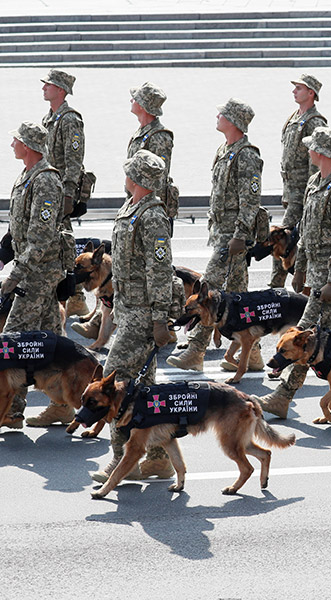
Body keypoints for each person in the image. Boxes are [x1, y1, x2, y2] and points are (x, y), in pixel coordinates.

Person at [258, 127, 331, 418]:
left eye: (312, 147)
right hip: (315, 273)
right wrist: (299, 267)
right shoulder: (315, 182)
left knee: (304, 335)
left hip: (330, 278)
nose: (308, 151)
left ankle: (283, 396)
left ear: (322, 153)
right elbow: (306, 231)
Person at [91, 150, 175, 483]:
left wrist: (160, 318)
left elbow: (160, 269)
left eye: (129, 172)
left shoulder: (152, 215)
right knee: (147, 390)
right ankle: (156, 457)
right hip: (128, 307)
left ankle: (119, 459)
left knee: (112, 379)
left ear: (138, 178)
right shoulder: (132, 208)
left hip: (143, 313)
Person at [73, 81, 175, 342]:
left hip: (145, 212)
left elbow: (157, 178)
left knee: (140, 274)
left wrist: (149, 213)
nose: (131, 101)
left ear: (144, 105)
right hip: (134, 207)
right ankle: (101, 322)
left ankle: (159, 326)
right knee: (121, 269)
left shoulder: (159, 137)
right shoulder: (142, 132)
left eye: (135, 98)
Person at [166, 98, 263, 373]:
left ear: (233, 121)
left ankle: (196, 352)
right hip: (222, 232)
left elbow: (250, 200)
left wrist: (241, 235)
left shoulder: (247, 155)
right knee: (239, 297)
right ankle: (253, 354)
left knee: (206, 291)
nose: (217, 116)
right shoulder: (225, 150)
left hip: (232, 238)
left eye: (222, 114)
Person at [1, 122, 65, 430]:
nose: (11, 143)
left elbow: (40, 236)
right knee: (52, 339)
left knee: (12, 339)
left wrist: (17, 272)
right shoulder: (27, 176)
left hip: (38, 271)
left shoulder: (46, 181)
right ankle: (63, 402)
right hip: (34, 268)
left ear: (28, 146)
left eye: (16, 140)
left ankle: (11, 410)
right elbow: (20, 225)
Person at [40, 68, 89, 319]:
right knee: (59, 242)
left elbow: (74, 159)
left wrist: (69, 194)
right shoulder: (50, 118)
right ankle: (75, 297)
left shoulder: (70, 119)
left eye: (48, 84)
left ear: (60, 89)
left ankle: (77, 296)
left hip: (60, 192)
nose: (43, 88)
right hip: (49, 188)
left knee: (63, 242)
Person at [271, 73, 326, 288]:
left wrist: (310, 195)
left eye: (299, 88)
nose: (294, 91)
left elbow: (316, 164)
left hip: (302, 194)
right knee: (291, 242)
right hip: (290, 191)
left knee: (279, 239)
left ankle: (277, 285)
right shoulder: (294, 117)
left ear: (311, 93)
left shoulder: (315, 122)